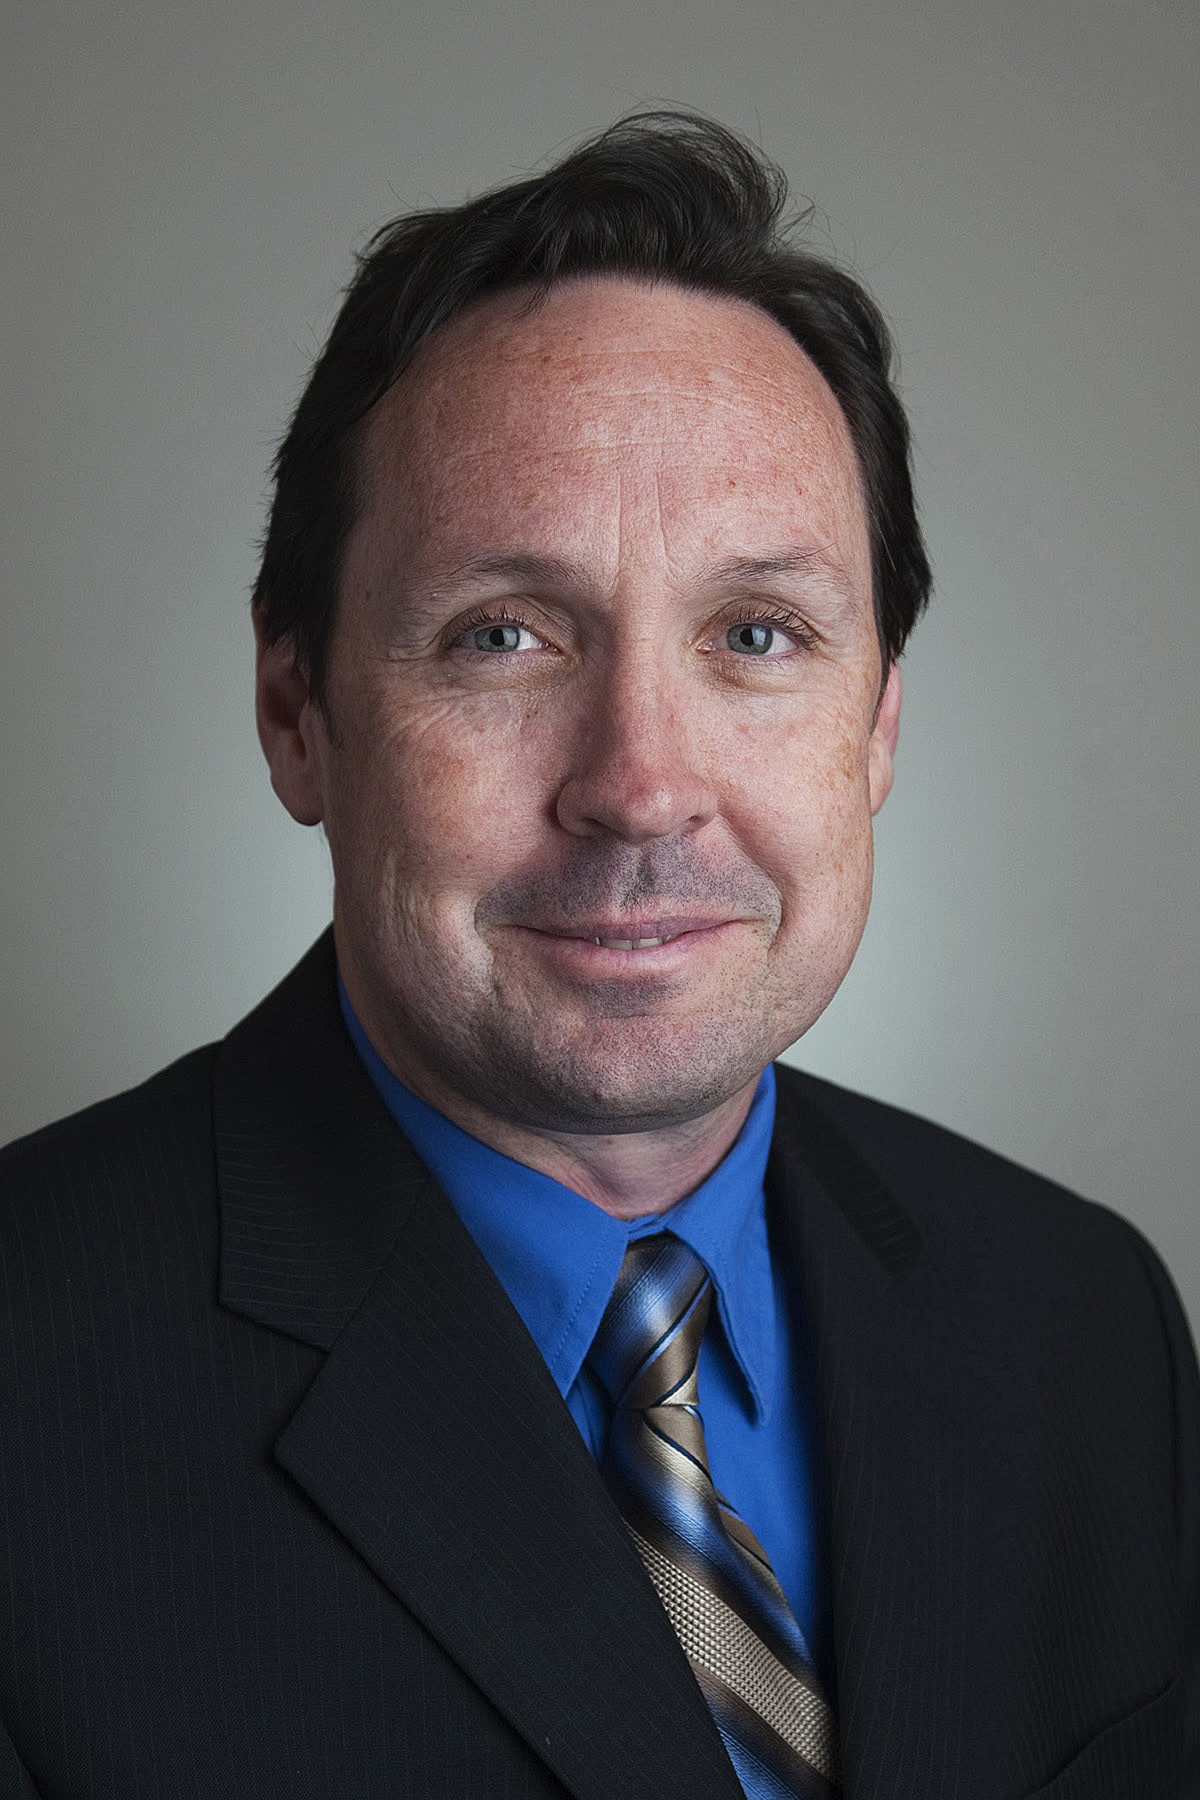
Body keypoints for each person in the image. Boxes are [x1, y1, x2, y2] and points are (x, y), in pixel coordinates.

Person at [0, 113, 1195, 1800]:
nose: (639, 783)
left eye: (757, 633)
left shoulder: (1087, 1321)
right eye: (505, 634)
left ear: (876, 727)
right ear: (297, 712)